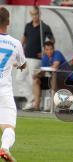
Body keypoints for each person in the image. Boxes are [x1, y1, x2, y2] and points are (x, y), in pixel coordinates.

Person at [0, 7, 26, 161]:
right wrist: (18, 65)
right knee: (8, 126)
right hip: (4, 90)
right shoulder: (15, 43)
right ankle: (4, 148)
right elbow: (23, 64)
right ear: (8, 22)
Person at [19, 6, 55, 110]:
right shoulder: (28, 26)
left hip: (36, 58)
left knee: (32, 79)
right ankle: (31, 99)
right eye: (33, 14)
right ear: (31, 14)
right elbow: (24, 39)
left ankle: (34, 102)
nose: (35, 16)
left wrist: (45, 51)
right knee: (19, 78)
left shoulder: (44, 26)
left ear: (39, 14)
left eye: (36, 14)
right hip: (25, 57)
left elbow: (52, 40)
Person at [30, 41, 66, 111]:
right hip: (54, 79)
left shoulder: (57, 54)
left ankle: (51, 106)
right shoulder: (45, 58)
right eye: (47, 49)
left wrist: (42, 70)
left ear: (53, 49)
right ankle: (36, 105)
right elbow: (43, 73)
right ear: (44, 50)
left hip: (65, 80)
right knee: (36, 80)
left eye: (51, 49)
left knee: (53, 79)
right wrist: (37, 75)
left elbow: (55, 67)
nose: (49, 51)